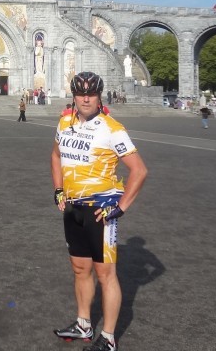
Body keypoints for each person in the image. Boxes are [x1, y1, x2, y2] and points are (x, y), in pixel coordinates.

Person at [51, 72, 148, 351]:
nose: (85, 98)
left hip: (100, 210)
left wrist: (120, 208)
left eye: (91, 94)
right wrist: (58, 189)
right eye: (81, 93)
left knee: (105, 274)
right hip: (72, 208)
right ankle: (84, 324)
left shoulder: (112, 128)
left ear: (99, 96)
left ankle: (107, 338)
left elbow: (139, 171)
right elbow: (55, 155)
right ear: (73, 95)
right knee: (80, 269)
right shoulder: (65, 121)